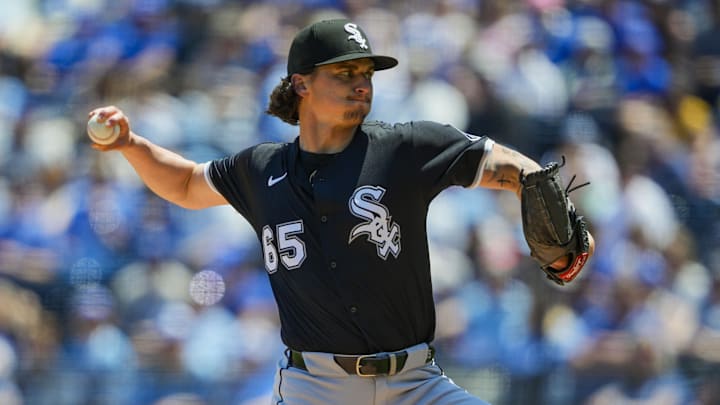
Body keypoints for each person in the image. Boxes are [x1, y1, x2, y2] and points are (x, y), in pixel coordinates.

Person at [89, 18, 594, 405]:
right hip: (314, 388)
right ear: (301, 84)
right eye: (345, 73)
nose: (362, 84)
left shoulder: (406, 148)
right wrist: (132, 144)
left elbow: (507, 165)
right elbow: (182, 182)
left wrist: (557, 210)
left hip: (415, 384)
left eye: (366, 74)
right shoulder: (259, 169)